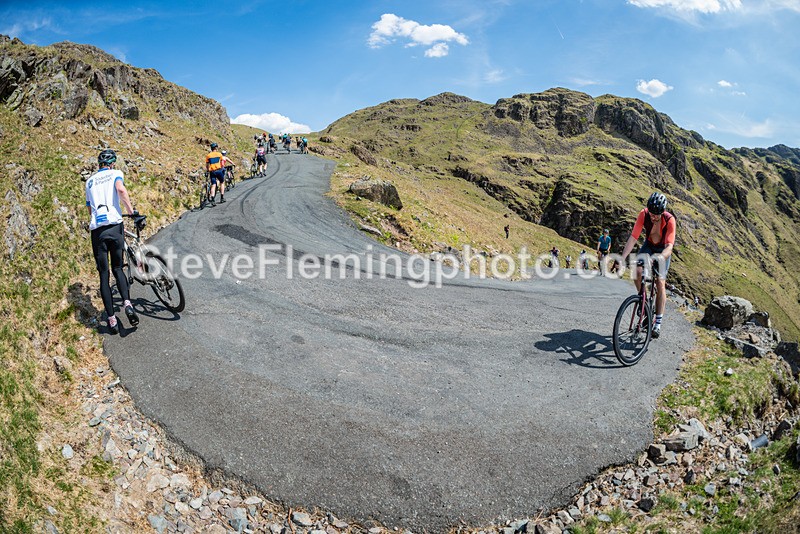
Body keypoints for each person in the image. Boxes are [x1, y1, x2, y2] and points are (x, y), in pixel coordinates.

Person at [85, 149, 139, 334]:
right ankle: (127, 304)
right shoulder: (116, 174)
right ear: (112, 164)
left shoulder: (89, 181)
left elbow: (90, 210)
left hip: (97, 231)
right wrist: (132, 212)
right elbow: (121, 190)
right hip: (115, 227)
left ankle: (112, 320)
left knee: (103, 275)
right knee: (118, 268)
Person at [620, 192, 676, 339]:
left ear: (662, 212)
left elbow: (670, 247)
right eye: (651, 213)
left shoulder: (669, 220)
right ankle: (642, 301)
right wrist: (622, 258)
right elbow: (633, 238)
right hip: (649, 245)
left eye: (656, 215)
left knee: (660, 282)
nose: (653, 217)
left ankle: (657, 322)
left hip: (663, 250)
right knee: (636, 271)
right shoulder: (643, 215)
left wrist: (659, 257)